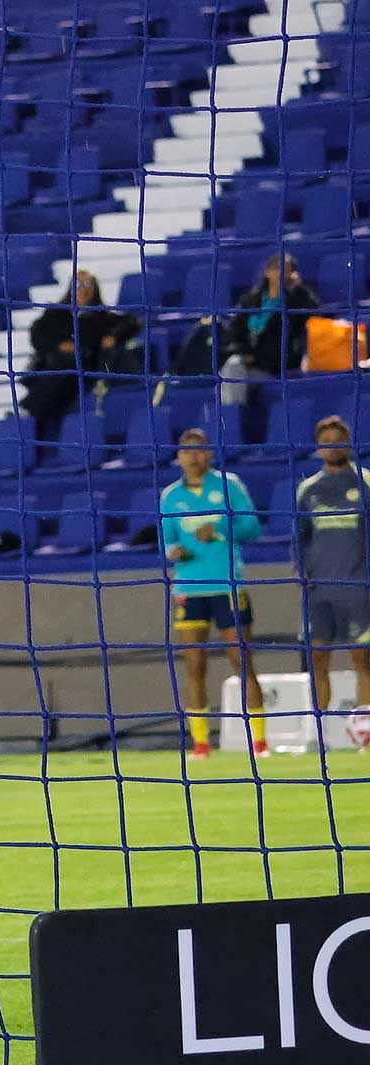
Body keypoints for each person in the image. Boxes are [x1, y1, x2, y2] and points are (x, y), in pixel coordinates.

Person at [162, 428, 266, 760]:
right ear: (179, 457)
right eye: (186, 451)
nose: (193, 456)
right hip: (189, 589)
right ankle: (201, 745)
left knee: (241, 661)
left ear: (209, 453)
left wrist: (220, 528)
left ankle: (260, 744)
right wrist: (175, 552)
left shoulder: (228, 486)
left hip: (227, 586)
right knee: (194, 665)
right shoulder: (170, 496)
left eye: (198, 450)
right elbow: (167, 541)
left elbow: (252, 527)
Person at [294, 415, 370, 727]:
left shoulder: (365, 483)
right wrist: (301, 571)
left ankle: (365, 734)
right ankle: (319, 732)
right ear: (318, 447)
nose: (332, 446)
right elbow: (299, 538)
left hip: (359, 589)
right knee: (317, 658)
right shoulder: (308, 489)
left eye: (338, 440)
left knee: (363, 659)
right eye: (326, 442)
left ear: (348, 443)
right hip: (320, 592)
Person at [22, 270, 140, 440]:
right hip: (55, 366)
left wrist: (114, 337)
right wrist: (58, 345)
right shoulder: (54, 315)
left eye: (87, 284)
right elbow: (37, 336)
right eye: (77, 284)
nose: (82, 289)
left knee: (70, 367)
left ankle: (31, 409)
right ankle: (33, 415)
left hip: (86, 369)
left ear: (95, 289)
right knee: (61, 367)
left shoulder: (103, 318)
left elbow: (131, 323)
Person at [223, 253, 320, 377]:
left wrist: (298, 287)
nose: (281, 272)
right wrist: (244, 352)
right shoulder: (250, 300)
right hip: (247, 360)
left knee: (232, 371)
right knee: (233, 366)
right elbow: (234, 331)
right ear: (267, 271)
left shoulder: (294, 301)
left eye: (286, 269)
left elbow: (316, 314)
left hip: (274, 367)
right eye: (277, 267)